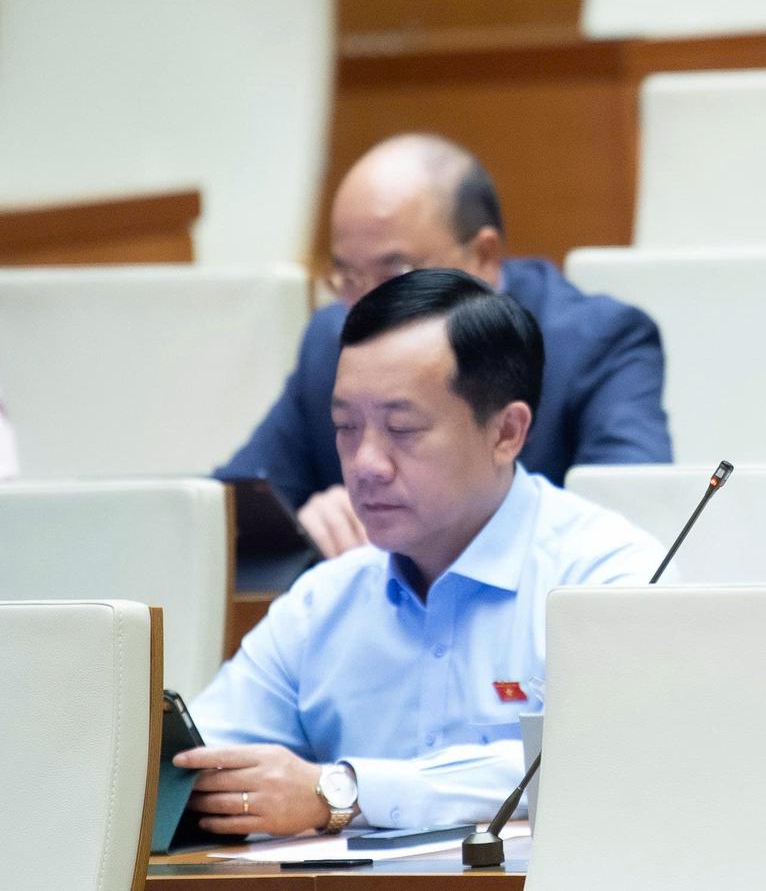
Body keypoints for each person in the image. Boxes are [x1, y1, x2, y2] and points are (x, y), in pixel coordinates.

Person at [177, 269, 666, 835]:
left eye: (402, 428)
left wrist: (343, 790)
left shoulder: (610, 578)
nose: (365, 464)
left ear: (506, 432)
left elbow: (597, 755)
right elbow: (197, 758)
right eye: (345, 427)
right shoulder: (322, 602)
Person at [218, 133, 671, 560]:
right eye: (348, 277)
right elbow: (230, 509)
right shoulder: (331, 341)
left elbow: (633, 518)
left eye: (395, 274)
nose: (367, 304)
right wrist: (301, 526)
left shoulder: (599, 343)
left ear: (483, 257)